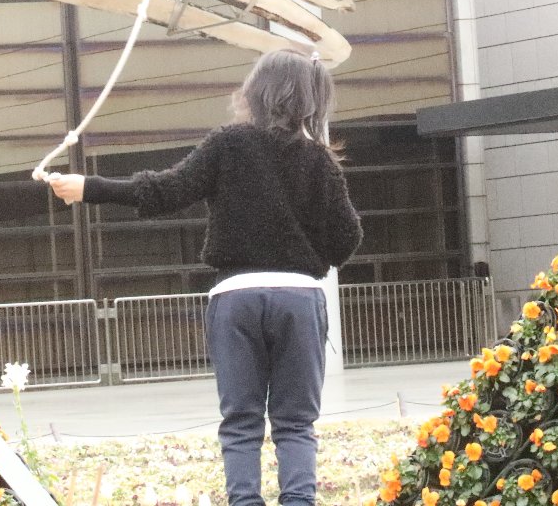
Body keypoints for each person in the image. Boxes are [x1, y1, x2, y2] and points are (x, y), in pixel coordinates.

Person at [47, 49, 362, 506]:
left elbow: (169, 188)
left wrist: (90, 188)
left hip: (235, 299)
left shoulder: (229, 143)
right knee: (295, 424)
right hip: (298, 299)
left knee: (241, 423)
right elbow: (347, 240)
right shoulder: (319, 161)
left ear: (258, 91)